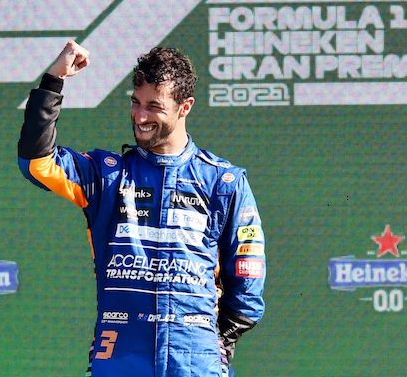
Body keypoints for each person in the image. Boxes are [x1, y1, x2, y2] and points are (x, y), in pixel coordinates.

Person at [17, 41, 265, 377]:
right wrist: (53, 81)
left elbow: (248, 277)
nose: (141, 116)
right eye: (136, 103)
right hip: (119, 357)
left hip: (196, 361)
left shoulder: (223, 182)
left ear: (185, 107)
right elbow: (37, 163)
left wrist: (217, 342)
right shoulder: (106, 176)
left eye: (154, 106)